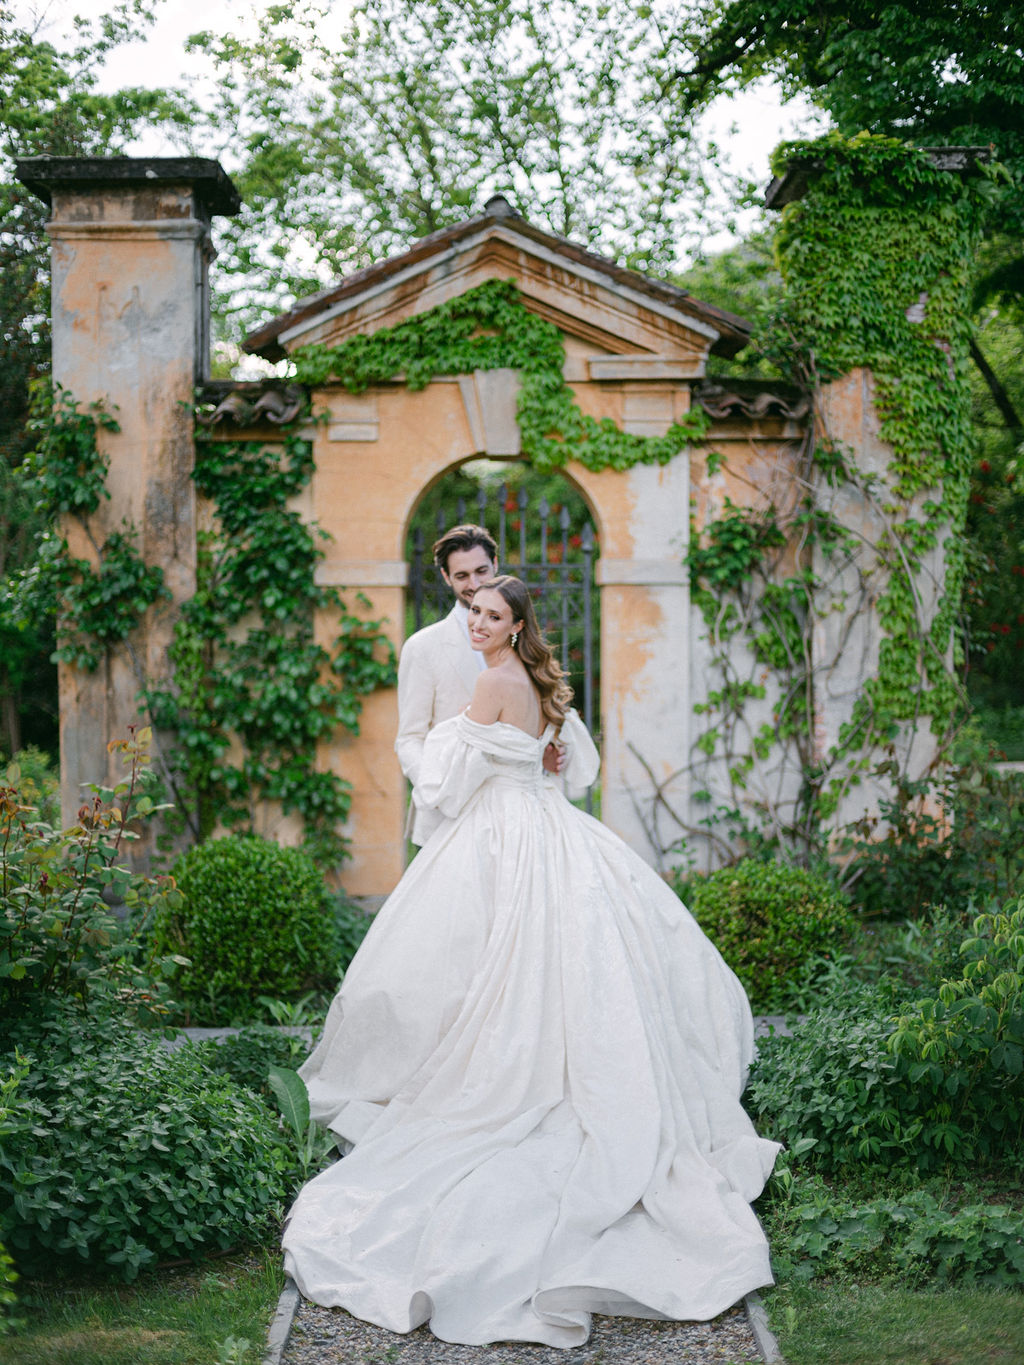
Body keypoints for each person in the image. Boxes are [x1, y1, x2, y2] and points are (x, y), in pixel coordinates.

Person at [283, 576, 780, 1348]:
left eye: (492, 615)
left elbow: (449, 781)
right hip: (554, 828)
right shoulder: (542, 682)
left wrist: (447, 742)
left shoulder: (489, 681)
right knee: (562, 964)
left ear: (516, 627)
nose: (477, 623)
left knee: (495, 968)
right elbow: (565, 767)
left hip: (502, 835)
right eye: (474, 611)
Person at [395, 523, 559, 847]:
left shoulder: (522, 643)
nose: (474, 584)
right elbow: (409, 739)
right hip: (449, 815)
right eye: (461, 576)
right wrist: (437, 788)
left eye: (482, 571)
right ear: (446, 577)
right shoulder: (422, 647)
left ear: (495, 564)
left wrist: (544, 752)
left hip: (517, 814)